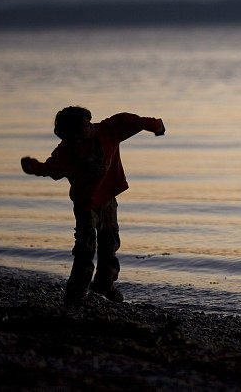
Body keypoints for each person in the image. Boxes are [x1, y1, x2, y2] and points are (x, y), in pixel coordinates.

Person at [21, 106, 165, 305]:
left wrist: (155, 125)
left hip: (107, 200)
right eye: (78, 131)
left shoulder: (107, 131)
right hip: (85, 204)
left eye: (87, 125)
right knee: (85, 249)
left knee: (110, 244)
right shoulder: (66, 150)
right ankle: (76, 294)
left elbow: (130, 121)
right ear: (67, 135)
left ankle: (104, 285)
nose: (86, 131)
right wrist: (34, 168)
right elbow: (51, 168)